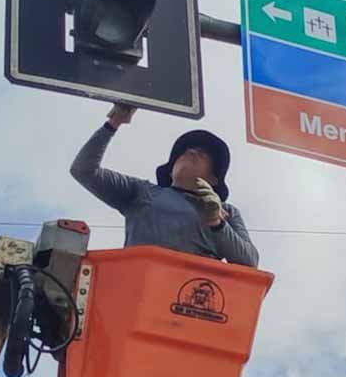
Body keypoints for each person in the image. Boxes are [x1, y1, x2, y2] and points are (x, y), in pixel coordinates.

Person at [70, 104, 260, 267]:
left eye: (203, 154)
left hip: (192, 301)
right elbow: (83, 170)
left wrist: (216, 223)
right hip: (135, 294)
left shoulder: (227, 212)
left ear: (213, 180)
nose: (192, 151)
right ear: (170, 172)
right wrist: (114, 122)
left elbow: (249, 260)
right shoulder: (141, 191)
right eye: (184, 152)